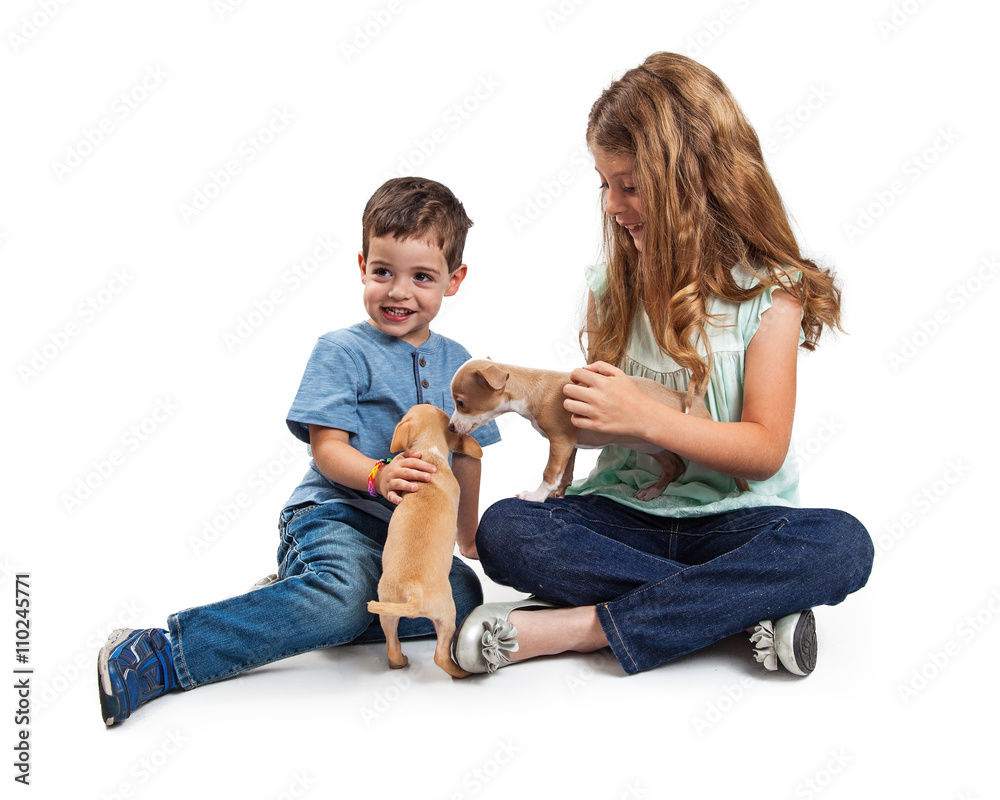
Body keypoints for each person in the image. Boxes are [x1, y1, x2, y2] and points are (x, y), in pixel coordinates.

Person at [451, 53, 874, 677]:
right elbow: (600, 431)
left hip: (736, 521)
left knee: (842, 544)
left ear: (699, 178)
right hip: (623, 514)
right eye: (604, 184)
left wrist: (648, 418)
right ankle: (739, 609)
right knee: (506, 530)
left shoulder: (770, 296)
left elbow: (764, 452)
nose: (612, 204)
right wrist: (570, 413)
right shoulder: (610, 290)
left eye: (630, 184)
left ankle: (583, 627)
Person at [98, 177, 500, 725]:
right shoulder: (342, 350)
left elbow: (469, 454)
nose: (398, 292)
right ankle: (165, 653)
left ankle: (300, 599)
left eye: (422, 277)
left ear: (454, 280)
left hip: (407, 540)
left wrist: (466, 536)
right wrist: (378, 474)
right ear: (362, 266)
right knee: (343, 601)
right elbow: (327, 450)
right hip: (336, 516)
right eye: (383, 272)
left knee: (463, 594)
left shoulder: (461, 363)